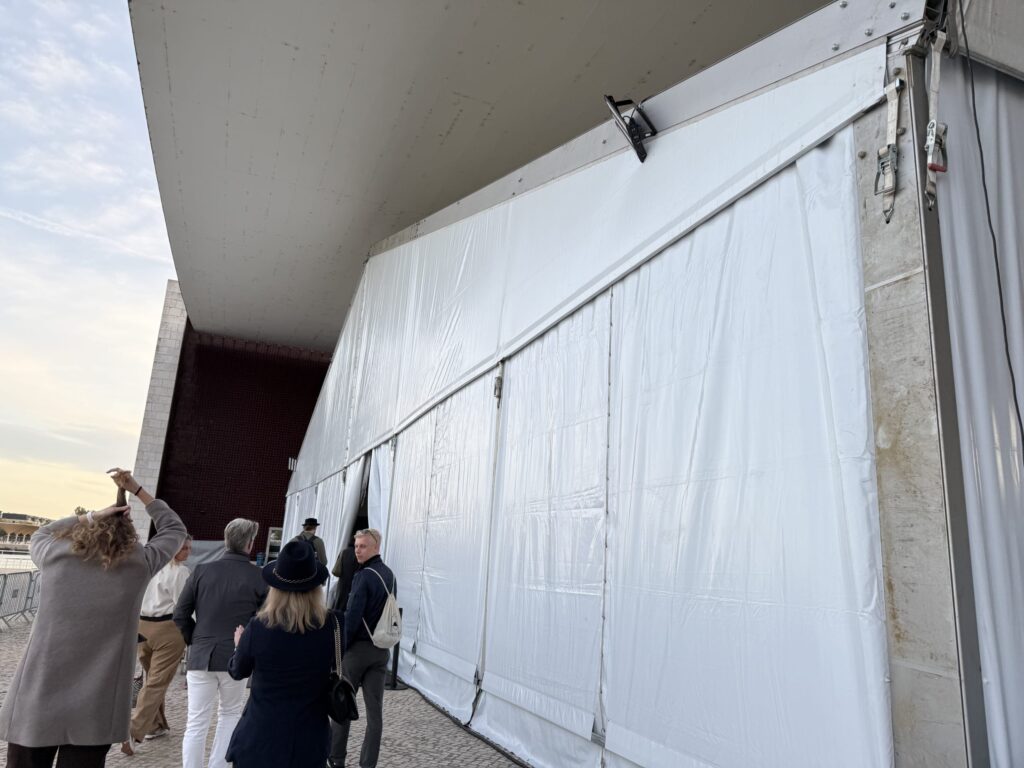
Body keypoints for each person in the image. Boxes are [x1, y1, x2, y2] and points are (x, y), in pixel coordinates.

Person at [0, 468, 186, 768]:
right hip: (96, 705)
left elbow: (43, 531)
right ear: (130, 534)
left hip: (37, 696)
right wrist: (137, 490)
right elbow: (174, 529)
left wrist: (92, 515)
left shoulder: (53, 554)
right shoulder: (139, 564)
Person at [224, 540, 335, 767]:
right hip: (309, 739)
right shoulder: (334, 624)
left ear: (275, 588)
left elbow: (238, 671)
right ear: (316, 588)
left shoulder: (259, 627)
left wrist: (239, 644)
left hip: (261, 736)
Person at [174, 519, 266, 768]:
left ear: (226, 540)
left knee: (196, 722)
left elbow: (180, 614)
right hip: (237, 655)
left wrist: (195, 639)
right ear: (250, 543)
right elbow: (266, 620)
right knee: (229, 715)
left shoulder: (201, 571)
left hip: (202, 654)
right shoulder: (259, 576)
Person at [329, 528, 396, 768]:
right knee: (375, 714)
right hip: (381, 651)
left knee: (342, 705)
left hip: (357, 651)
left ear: (376, 547)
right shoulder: (389, 575)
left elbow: (353, 616)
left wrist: (340, 651)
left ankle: (336, 759)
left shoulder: (363, 576)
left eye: (363, 546)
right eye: (356, 546)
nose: (358, 550)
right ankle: (368, 764)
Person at [122, 535, 193, 754]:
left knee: (151, 679)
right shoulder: (180, 571)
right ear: (173, 550)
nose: (188, 552)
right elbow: (183, 606)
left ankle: (155, 725)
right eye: (185, 548)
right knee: (156, 682)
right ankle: (133, 730)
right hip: (168, 628)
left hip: (142, 626)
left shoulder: (146, 568)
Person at [330, 536, 357, 612]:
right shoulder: (359, 554)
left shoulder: (344, 552)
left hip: (342, 582)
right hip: (353, 583)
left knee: (339, 603)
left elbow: (336, 570)